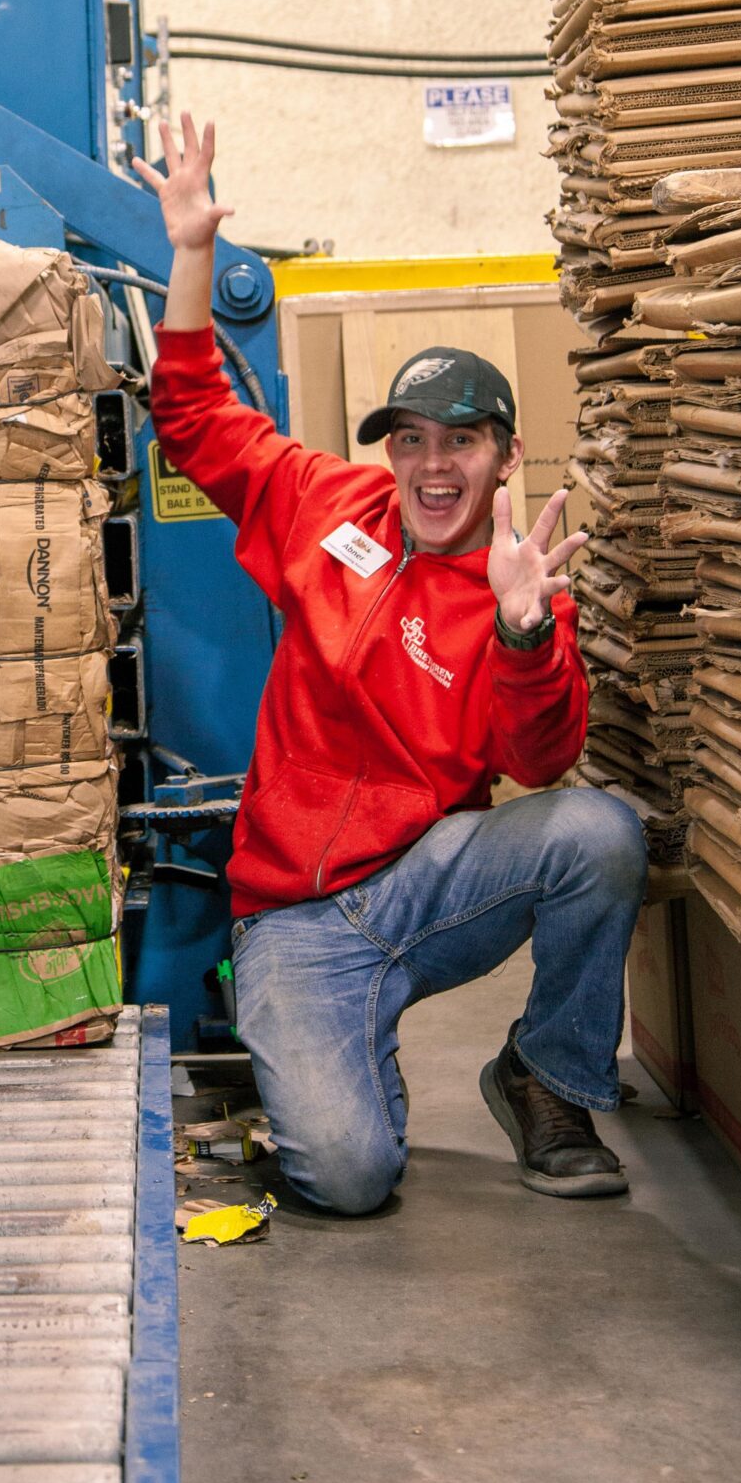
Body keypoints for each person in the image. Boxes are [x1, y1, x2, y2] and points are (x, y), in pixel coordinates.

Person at [131, 114, 645, 1212]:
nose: (430, 461)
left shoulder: (518, 586)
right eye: (409, 437)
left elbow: (542, 762)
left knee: (601, 834)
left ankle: (546, 1076)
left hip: (423, 884)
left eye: (458, 438)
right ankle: (349, 1058)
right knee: (347, 1178)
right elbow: (191, 417)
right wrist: (189, 255)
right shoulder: (326, 505)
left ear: (505, 453)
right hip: (292, 914)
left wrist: (521, 632)